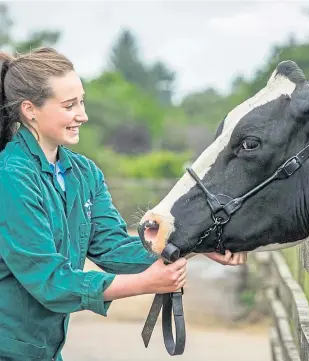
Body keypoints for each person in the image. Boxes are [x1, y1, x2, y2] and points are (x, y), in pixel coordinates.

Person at [0, 47, 247, 361]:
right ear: (30, 110)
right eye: (69, 105)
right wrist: (144, 283)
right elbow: (50, 280)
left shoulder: (85, 174)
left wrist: (194, 244)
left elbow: (112, 247)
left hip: (46, 351)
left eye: (82, 101)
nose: (83, 115)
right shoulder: (10, 178)